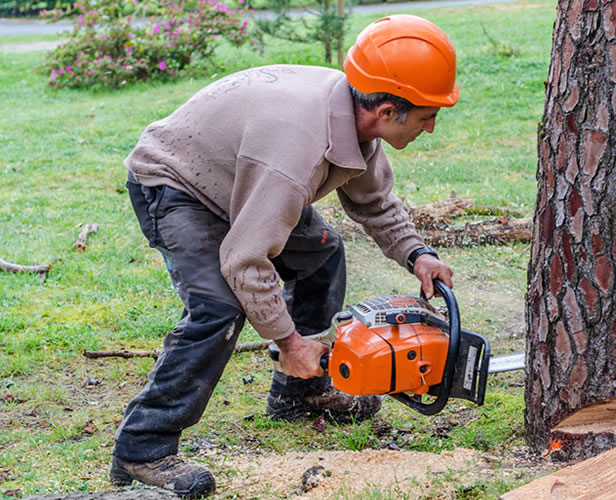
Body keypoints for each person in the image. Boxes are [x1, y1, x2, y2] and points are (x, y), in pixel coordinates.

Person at [109, 14, 459, 499]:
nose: (432, 128)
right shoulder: (297, 153)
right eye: (426, 117)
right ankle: (142, 449)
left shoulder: (355, 124)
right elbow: (245, 259)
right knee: (219, 307)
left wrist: (417, 253)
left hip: (241, 182)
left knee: (321, 253)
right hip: (177, 184)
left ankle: (299, 393)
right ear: (385, 109)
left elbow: (373, 201)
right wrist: (289, 340)